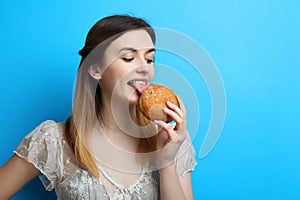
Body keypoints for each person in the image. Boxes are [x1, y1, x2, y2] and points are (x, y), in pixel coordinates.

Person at [0, 14, 197, 200]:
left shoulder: (172, 140)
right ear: (95, 70)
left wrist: (166, 161)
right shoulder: (54, 141)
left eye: (149, 59)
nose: (144, 68)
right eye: (129, 57)